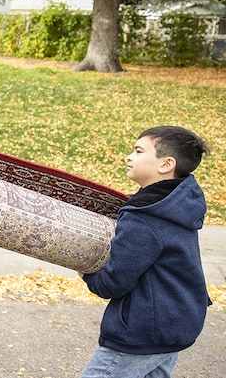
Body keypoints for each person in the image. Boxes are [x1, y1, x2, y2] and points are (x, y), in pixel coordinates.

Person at [79, 125, 211, 378]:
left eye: (139, 151)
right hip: (178, 320)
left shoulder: (144, 217)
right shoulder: (176, 202)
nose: (130, 156)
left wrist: (87, 273)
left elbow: (114, 283)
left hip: (144, 331)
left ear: (166, 164)